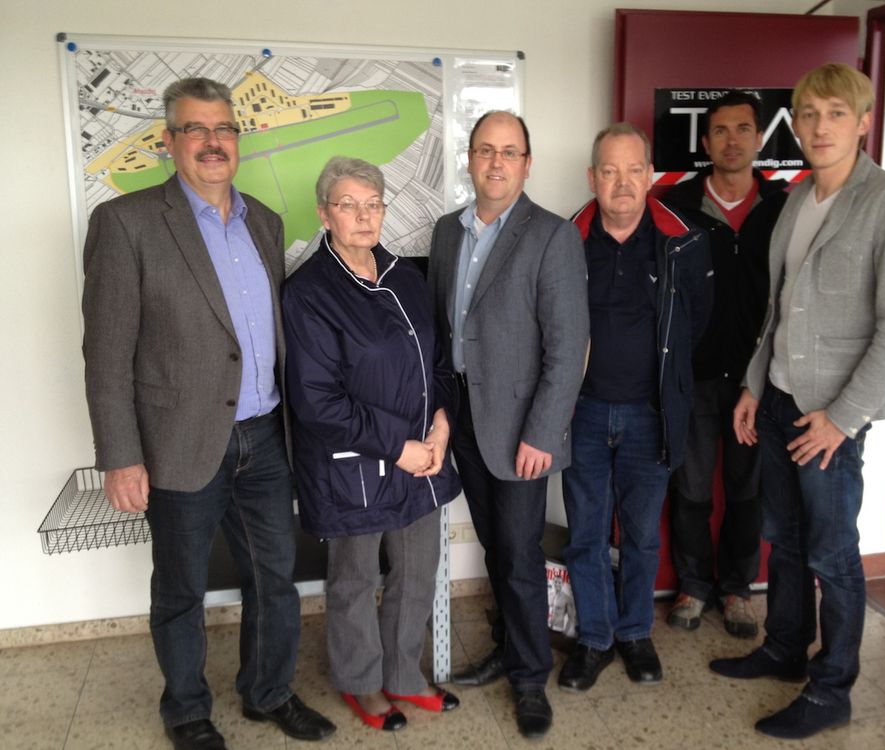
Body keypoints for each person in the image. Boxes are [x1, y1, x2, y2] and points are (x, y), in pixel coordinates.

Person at [81, 78, 334, 750]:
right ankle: (187, 710)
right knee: (182, 588)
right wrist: (121, 456)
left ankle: (268, 692)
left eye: (223, 128)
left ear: (237, 139)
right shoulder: (126, 223)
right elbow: (105, 354)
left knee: (274, 578)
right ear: (170, 142)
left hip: (265, 437)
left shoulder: (264, 222)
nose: (212, 141)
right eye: (196, 129)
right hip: (179, 441)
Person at [709, 64, 885, 740]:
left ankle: (832, 689)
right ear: (796, 125)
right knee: (784, 539)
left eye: (836, 113)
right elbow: (778, 312)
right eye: (809, 114)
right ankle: (784, 649)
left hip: (831, 418)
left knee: (833, 555)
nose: (821, 126)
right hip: (780, 401)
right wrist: (754, 386)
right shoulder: (799, 198)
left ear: (863, 122)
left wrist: (842, 419)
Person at [282, 156, 463, 733]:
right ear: (324, 214)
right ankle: (361, 681)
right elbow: (318, 402)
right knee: (356, 579)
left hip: (423, 458)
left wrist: (441, 424)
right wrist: (401, 447)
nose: (363, 216)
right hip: (354, 467)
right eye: (348, 205)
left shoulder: (406, 277)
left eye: (373, 204)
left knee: (417, 571)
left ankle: (404, 674)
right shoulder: (309, 293)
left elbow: (437, 362)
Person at [427, 110, 589, 739]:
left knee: (520, 554)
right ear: (470, 158)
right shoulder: (447, 232)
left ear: (527, 163)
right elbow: (443, 330)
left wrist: (543, 433)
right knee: (497, 545)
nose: (496, 162)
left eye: (509, 152)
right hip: (465, 418)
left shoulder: (552, 236)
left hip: (523, 427)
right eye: (485, 150)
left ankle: (529, 678)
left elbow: (568, 347)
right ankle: (507, 645)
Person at [557, 122, 712, 693]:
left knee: (643, 535)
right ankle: (595, 639)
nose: (621, 183)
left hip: (652, 415)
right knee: (587, 535)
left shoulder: (682, 243)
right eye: (609, 170)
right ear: (592, 177)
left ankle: (635, 633)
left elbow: (698, 324)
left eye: (632, 170)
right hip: (584, 414)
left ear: (649, 175)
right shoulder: (565, 242)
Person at [665, 91, 788, 637]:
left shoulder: (783, 206)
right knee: (691, 490)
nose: (732, 141)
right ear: (705, 141)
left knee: (747, 492)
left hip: (757, 379)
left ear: (759, 138)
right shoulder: (677, 205)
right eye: (720, 130)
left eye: (742, 129)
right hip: (693, 376)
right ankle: (693, 587)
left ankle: (737, 590)